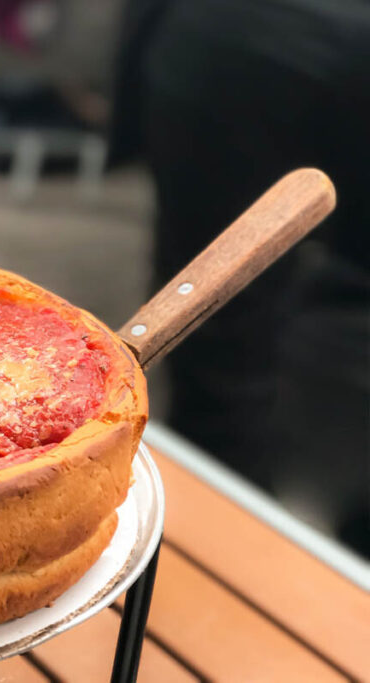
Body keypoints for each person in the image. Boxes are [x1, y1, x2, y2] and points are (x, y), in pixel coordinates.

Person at [110, 0, 369, 555]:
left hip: (227, 34)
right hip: (235, 38)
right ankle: (215, 562)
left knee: (221, 370)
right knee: (220, 362)